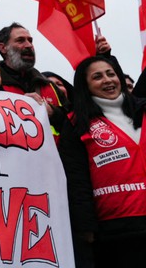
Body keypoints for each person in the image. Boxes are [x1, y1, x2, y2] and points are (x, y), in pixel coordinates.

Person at [59, 55, 146, 267]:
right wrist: (86, 226)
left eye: (111, 74)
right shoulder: (76, 123)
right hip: (114, 230)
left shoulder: (142, 110)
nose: (107, 80)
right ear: (85, 85)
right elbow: (76, 178)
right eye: (97, 77)